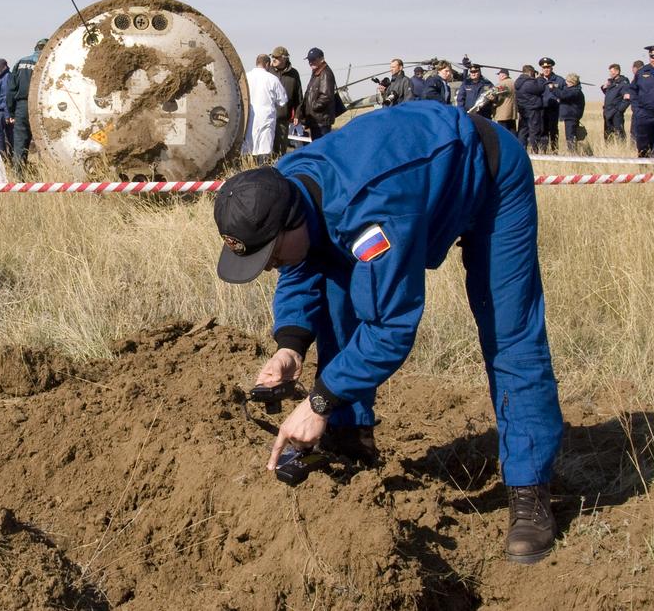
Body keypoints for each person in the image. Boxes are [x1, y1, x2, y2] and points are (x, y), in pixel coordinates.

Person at [213, 103, 563, 564]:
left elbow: (391, 327)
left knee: (508, 330)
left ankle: (530, 489)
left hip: (486, 175)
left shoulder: (371, 212)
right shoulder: (286, 185)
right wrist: (290, 346)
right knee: (338, 300)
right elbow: (302, 263)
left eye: (269, 256)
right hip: (406, 178)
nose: (270, 267)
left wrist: (319, 401)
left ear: (292, 220)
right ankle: (350, 439)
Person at [7, 38, 44, 176]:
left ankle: (19, 178)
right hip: (42, 107)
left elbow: (10, 90)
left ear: (35, 48)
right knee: (44, 145)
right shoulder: (49, 61)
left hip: (22, 106)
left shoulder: (21, 62)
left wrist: (11, 112)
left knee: (20, 145)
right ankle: (47, 178)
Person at [243, 54, 289, 163]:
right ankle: (263, 171)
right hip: (266, 118)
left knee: (248, 148)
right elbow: (283, 100)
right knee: (265, 148)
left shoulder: (246, 77)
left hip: (249, 117)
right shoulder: (272, 79)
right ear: (267, 64)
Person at [269, 47, 304, 153]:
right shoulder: (268, 71)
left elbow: (298, 97)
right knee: (266, 150)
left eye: (276, 57)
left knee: (280, 150)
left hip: (283, 119)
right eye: (272, 57)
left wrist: (298, 115)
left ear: (284, 58)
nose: (273, 59)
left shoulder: (294, 74)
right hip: (267, 118)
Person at [299, 47, 337, 140]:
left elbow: (326, 96)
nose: (310, 62)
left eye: (313, 59)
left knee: (321, 148)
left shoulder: (325, 73)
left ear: (321, 59)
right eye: (309, 60)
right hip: (316, 120)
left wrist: (313, 107)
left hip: (321, 121)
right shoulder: (316, 73)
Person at [514, 64, 547, 152]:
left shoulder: (518, 82)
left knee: (523, 131)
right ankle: (534, 150)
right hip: (533, 109)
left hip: (523, 110)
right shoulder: (529, 83)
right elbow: (540, 88)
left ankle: (521, 149)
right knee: (534, 131)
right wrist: (540, 78)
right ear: (530, 72)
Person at [537, 58, 565, 153]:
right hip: (542, 110)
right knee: (543, 131)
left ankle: (554, 151)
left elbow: (564, 94)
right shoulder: (538, 80)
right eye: (544, 68)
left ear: (552, 68)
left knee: (553, 131)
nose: (546, 69)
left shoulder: (559, 80)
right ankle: (543, 152)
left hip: (554, 110)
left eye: (548, 67)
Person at [600, 63, 631, 143]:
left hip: (616, 113)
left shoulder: (623, 83)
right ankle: (609, 149)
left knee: (619, 133)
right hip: (607, 112)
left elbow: (627, 99)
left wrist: (619, 110)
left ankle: (621, 150)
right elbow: (609, 94)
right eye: (610, 72)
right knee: (608, 134)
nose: (610, 74)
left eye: (612, 72)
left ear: (617, 72)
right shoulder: (611, 83)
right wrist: (604, 87)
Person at [558, 74, 586, 152]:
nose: (566, 83)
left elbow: (562, 95)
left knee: (570, 136)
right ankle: (572, 151)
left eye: (567, 81)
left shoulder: (574, 91)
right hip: (571, 116)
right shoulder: (574, 90)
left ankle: (572, 153)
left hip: (571, 117)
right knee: (571, 136)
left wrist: (552, 89)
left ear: (572, 82)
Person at [0, 59, 13, 154]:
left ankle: (3, 156)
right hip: (3, 109)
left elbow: (6, 96)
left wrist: (7, 114)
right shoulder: (2, 77)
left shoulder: (6, 77)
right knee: (9, 134)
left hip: (3, 109)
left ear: (4, 66)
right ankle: (12, 157)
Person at [493, 69, 517, 134]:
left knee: (503, 132)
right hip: (512, 112)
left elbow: (493, 95)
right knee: (512, 132)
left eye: (499, 75)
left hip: (503, 113)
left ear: (503, 75)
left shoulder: (502, 84)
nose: (498, 77)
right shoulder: (513, 82)